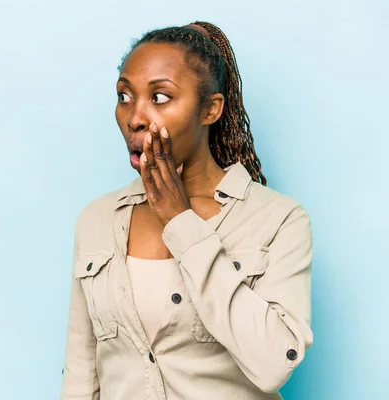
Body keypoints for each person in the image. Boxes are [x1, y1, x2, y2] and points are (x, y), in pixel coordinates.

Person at [60, 21, 313, 400]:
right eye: (124, 96)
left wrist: (182, 223)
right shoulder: (96, 221)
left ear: (210, 110)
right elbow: (81, 376)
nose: (135, 118)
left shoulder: (277, 220)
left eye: (160, 97)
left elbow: (275, 362)